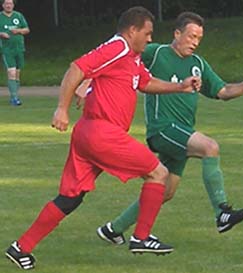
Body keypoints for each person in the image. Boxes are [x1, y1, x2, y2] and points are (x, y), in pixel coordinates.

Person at [5, 7, 201, 270]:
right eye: (147, 33)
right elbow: (77, 67)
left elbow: (144, 83)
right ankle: (141, 237)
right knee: (158, 173)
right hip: (103, 133)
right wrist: (61, 108)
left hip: (88, 134)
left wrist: (180, 86)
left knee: (70, 198)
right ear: (133, 31)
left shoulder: (131, 56)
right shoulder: (118, 47)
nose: (150, 39)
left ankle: (21, 248)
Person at [95, 11, 243, 245]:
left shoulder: (198, 64)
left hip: (182, 133)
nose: (195, 42)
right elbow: (119, 53)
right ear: (177, 33)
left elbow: (223, 91)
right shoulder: (157, 52)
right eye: (191, 36)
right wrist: (88, 79)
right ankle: (222, 212)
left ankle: (113, 229)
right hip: (163, 129)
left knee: (164, 192)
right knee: (210, 147)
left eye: (199, 38)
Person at [0, 0, 30, 106]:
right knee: (11, 73)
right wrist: (1, 34)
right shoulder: (0, 17)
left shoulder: (18, 16)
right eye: (6, 3)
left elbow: (27, 29)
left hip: (19, 49)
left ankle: (15, 95)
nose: (8, 5)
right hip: (7, 50)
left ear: (13, 5)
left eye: (10, 4)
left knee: (17, 75)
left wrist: (18, 31)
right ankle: (14, 98)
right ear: (3, 5)